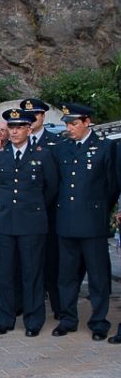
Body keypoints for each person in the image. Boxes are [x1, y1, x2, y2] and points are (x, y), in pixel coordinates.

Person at [0, 109, 58, 337]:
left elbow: (51, 189)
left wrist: (33, 208)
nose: (15, 131)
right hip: (7, 221)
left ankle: (33, 321)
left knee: (32, 273)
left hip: (32, 222)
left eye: (20, 127)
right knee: (6, 273)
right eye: (12, 127)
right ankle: (5, 319)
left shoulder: (42, 155)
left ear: (29, 129)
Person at [53, 103, 117, 342]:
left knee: (98, 277)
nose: (69, 128)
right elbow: (56, 183)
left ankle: (99, 322)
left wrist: (98, 209)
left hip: (93, 222)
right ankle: (68, 319)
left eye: (74, 124)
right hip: (66, 221)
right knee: (67, 275)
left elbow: (111, 185)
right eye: (67, 124)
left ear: (87, 122)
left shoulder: (105, 147)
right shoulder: (61, 149)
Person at [20, 98, 61, 319]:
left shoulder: (55, 142)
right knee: (26, 263)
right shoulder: (15, 142)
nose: (31, 119)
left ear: (43, 116)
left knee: (51, 260)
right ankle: (27, 303)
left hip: (48, 211)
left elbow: (54, 183)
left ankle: (57, 306)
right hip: (24, 214)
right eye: (27, 116)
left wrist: (39, 205)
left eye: (34, 115)